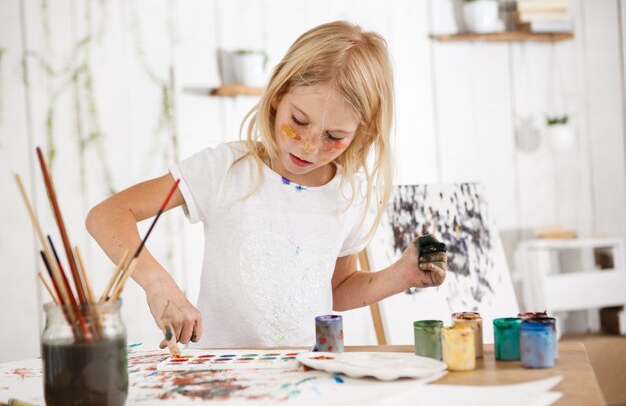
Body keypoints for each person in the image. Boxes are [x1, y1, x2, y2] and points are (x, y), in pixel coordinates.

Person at [86, 21, 447, 355]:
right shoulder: (226, 169)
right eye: (299, 121)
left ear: (361, 133)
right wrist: (157, 283)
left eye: (334, 136)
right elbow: (107, 216)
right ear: (277, 94)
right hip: (221, 378)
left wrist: (401, 276)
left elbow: (336, 289)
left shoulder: (348, 195)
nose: (308, 146)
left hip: (309, 378)